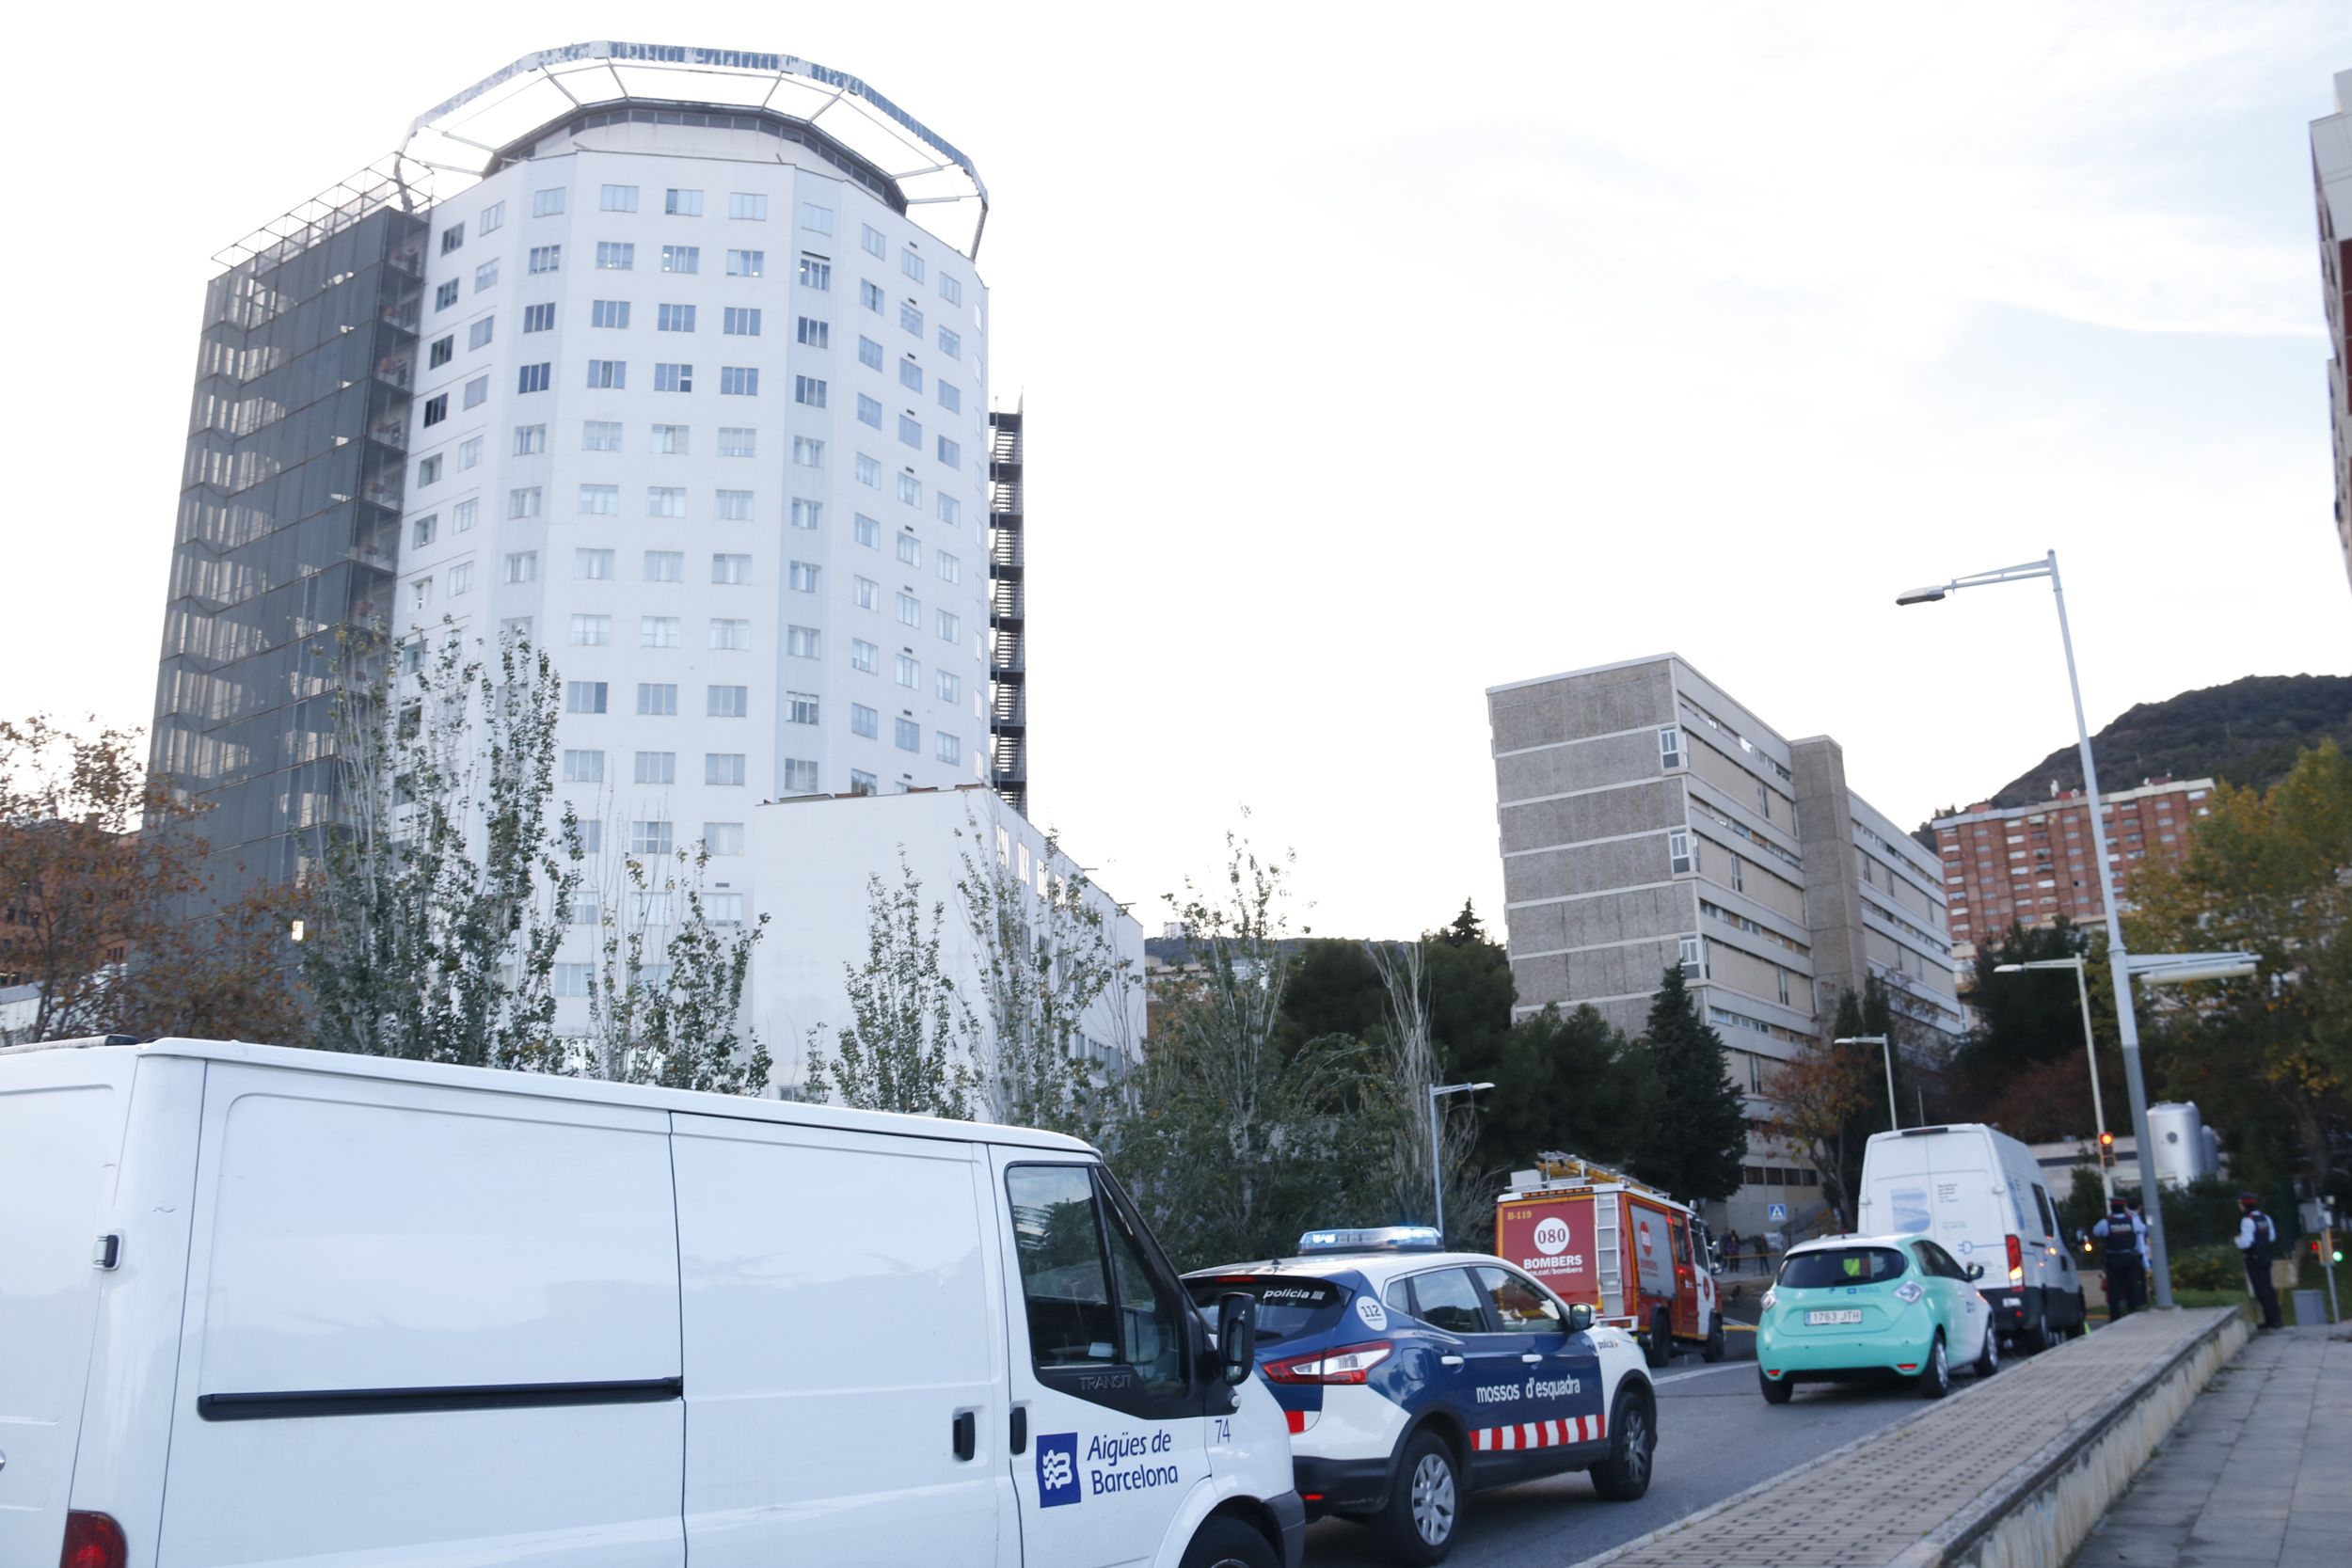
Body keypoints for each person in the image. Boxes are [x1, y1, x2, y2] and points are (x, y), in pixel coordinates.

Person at [2234, 1192, 2284, 1330]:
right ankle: (2276, 1319)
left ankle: (2272, 1321)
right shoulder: (2265, 1218)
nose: (2240, 1206)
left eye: (2240, 1203)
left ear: (2245, 1204)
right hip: (2266, 1256)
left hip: (2254, 1258)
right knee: (2268, 1288)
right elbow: (2272, 1237)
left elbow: (2246, 1243)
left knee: (2261, 1290)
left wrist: (2237, 1240)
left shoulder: (2247, 1220)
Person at [2092, 1196, 2147, 1323]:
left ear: (2111, 1208)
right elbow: (2142, 1229)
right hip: (2129, 1258)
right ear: (2123, 1208)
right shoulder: (2132, 1220)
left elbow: (2096, 1232)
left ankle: (2115, 1317)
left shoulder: (2106, 1222)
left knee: (2114, 1288)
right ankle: (2133, 1313)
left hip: (2113, 1259)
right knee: (2131, 1285)